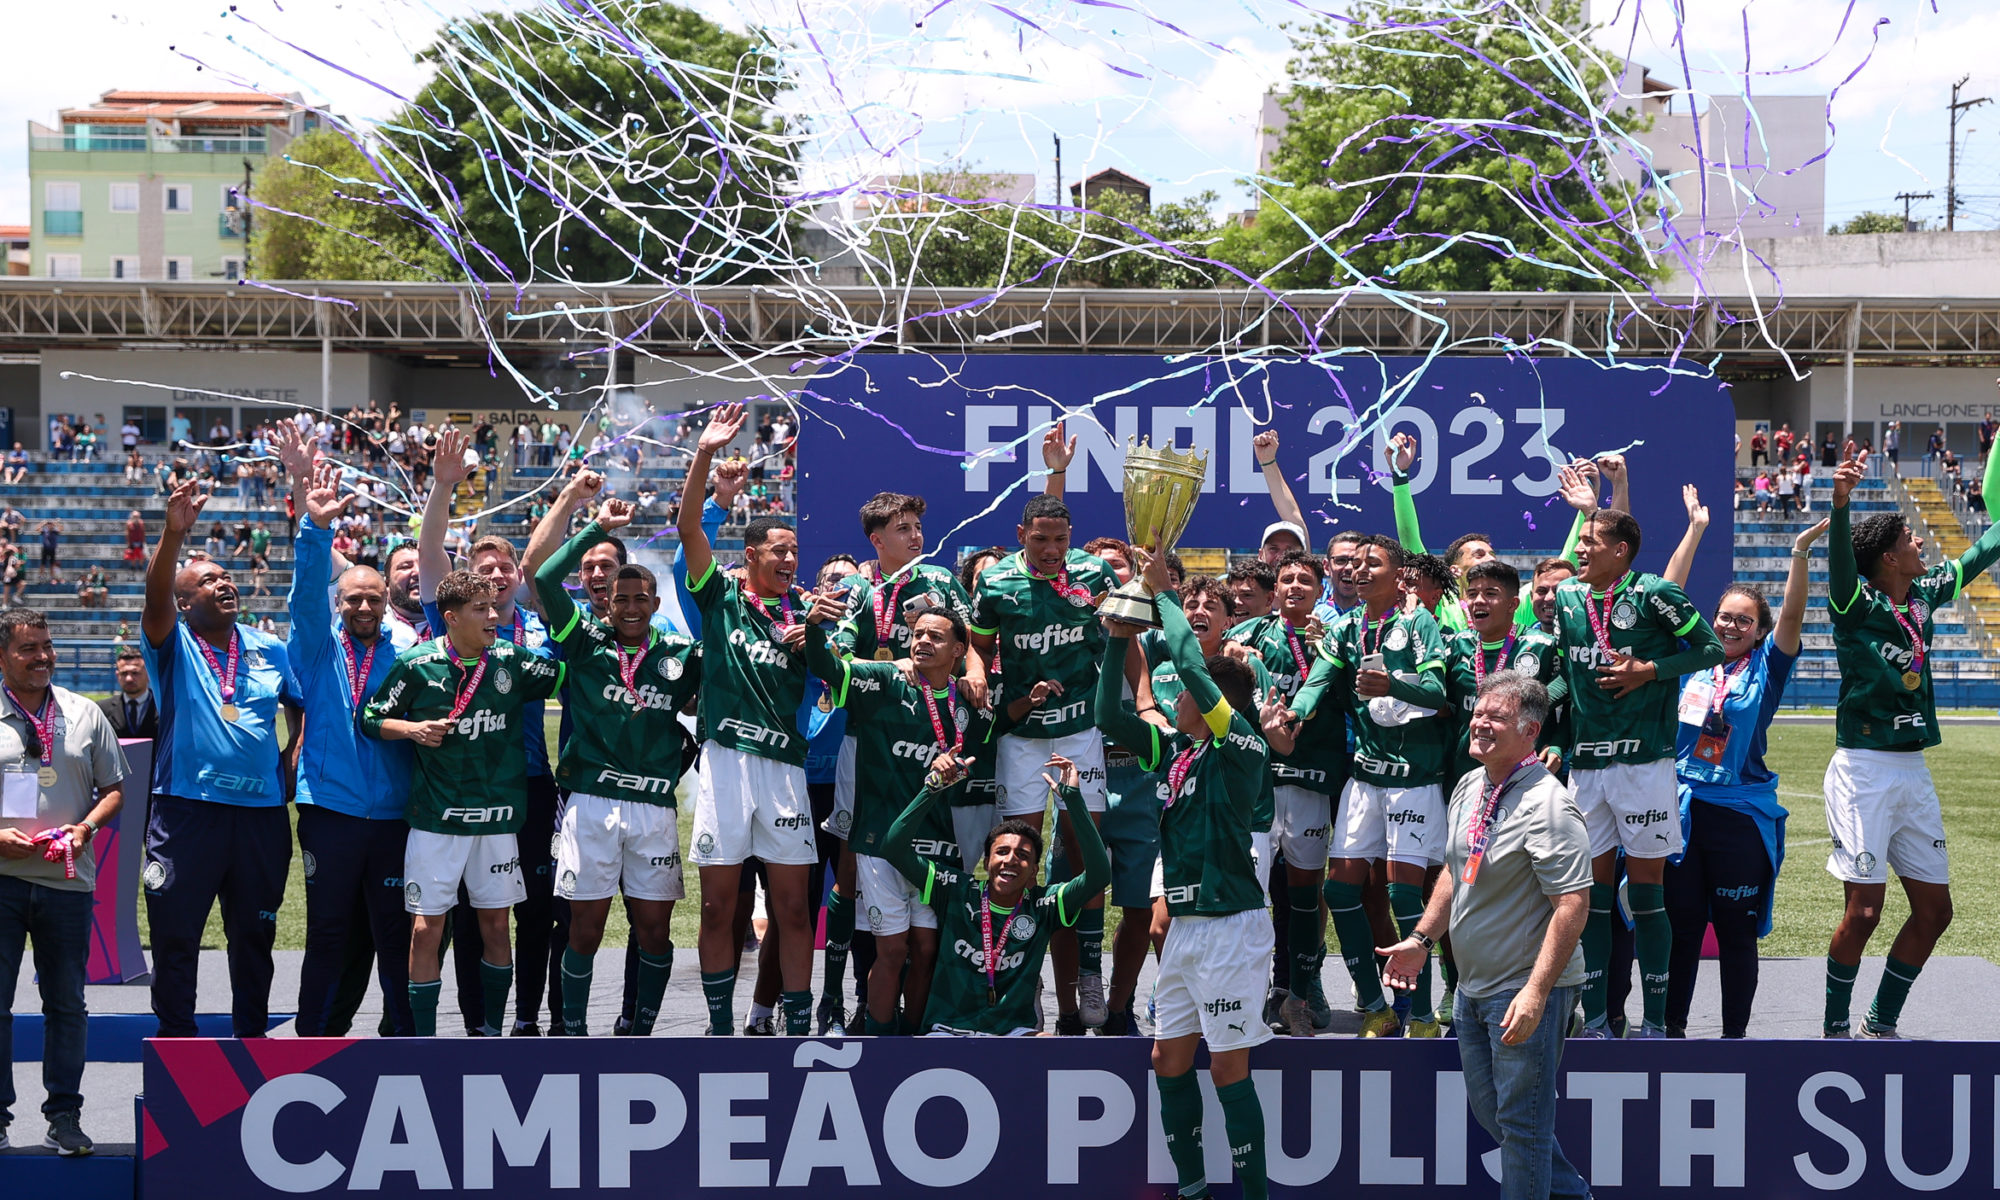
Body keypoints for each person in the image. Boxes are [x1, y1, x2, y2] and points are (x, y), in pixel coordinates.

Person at [1100, 545, 1275, 1200]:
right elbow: (1107, 717)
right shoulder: (1178, 753)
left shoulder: (1241, 747)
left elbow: (1193, 669)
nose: (1172, 702)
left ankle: (1253, 1194)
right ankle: (1195, 1189)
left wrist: (1161, 593)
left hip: (1233, 928)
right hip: (1185, 934)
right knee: (1167, 1059)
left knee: (1228, 1069)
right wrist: (1119, 643)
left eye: (1184, 697)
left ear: (1211, 703)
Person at [1378, 672, 1591, 1200]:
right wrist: (1423, 940)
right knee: (1500, 1119)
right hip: (1473, 989)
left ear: (1530, 731)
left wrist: (1537, 992)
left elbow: (1572, 904)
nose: (1479, 723)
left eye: (1495, 717)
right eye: (1478, 712)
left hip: (1521, 989)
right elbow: (1455, 868)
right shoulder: (1473, 784)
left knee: (1522, 1127)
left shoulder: (1548, 805)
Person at [1822, 451, 2000, 1037]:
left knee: (1935, 911)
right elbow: (1843, 566)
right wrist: (1841, 504)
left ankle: (1881, 1022)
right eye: (1909, 536)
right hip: (1863, 771)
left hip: (1911, 770)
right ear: (1887, 558)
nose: (1921, 541)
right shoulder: (1856, 606)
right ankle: (1833, 1029)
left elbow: (1977, 555)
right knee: (1865, 912)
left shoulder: (1921, 595)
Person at [1550, 471, 1725, 1039]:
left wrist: (1650, 670)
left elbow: (1711, 648)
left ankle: (1655, 1023)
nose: (1579, 550)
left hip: (1644, 764)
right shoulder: (1570, 597)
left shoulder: (1656, 594)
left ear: (1620, 551)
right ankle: (1598, 1019)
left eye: (1589, 543)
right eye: (1579, 542)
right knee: (1592, 900)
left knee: (1648, 897)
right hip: (1587, 769)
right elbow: (1564, 676)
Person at [360, 569, 565, 1036]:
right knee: (426, 930)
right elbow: (371, 717)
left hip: (496, 823)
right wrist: (411, 730)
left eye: (494, 606)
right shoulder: (416, 664)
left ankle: (491, 1033)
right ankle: (425, 1041)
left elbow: (576, 675)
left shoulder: (514, 659)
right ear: (450, 617)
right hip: (437, 822)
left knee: (496, 927)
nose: (494, 616)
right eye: (481, 609)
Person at [140, 477, 303, 1039]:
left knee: (254, 937)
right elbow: (155, 596)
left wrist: (292, 754)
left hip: (259, 817)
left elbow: (299, 704)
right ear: (185, 603)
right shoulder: (172, 642)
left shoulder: (268, 646)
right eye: (209, 581)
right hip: (187, 811)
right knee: (176, 934)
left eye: (227, 576)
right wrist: (172, 534)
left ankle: (252, 1040)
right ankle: (177, 1043)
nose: (225, 584)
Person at [533, 503, 701, 1038]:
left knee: (654, 927)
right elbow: (542, 577)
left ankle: (641, 1032)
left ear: (655, 603)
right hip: (591, 803)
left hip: (652, 806)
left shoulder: (679, 651)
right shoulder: (582, 640)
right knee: (585, 926)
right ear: (607, 604)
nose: (630, 607)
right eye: (620, 598)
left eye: (640, 599)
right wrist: (596, 530)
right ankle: (576, 1032)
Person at [1657, 492, 1822, 1038]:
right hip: (1680, 814)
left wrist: (1799, 553)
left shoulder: (1768, 670)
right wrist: (1696, 530)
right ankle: (1672, 1033)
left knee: (1734, 933)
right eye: (1724, 617)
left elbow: (1793, 614)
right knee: (1681, 932)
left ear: (1758, 629)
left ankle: (1734, 1040)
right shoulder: (1690, 662)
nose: (1730, 626)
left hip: (1738, 817)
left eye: (1743, 621)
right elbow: (1665, 596)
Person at [679, 403, 820, 1036]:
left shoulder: (811, 613)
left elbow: (837, 679)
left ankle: (795, 1022)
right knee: (718, 906)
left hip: (785, 769)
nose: (791, 560)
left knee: (793, 907)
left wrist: (817, 637)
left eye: (796, 551)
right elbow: (687, 532)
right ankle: (718, 1025)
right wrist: (706, 457)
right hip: (727, 762)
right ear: (752, 553)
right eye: (780, 551)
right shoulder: (722, 596)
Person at [419, 429, 561, 1037]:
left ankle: (526, 1017)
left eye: (506, 569)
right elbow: (430, 557)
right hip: (461, 789)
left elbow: (537, 560)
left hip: (528, 786)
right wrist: (444, 486)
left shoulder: (534, 625)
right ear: (466, 587)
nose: (500, 575)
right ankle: (478, 1022)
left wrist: (570, 502)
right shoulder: (448, 623)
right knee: (467, 914)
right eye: (486, 569)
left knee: (534, 914)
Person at [827, 490, 986, 1033]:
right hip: (866, 735)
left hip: (931, 723)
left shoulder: (939, 580)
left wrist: (978, 671)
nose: (917, 536)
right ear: (877, 540)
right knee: (853, 860)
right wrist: (891, 663)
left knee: (924, 866)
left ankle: (909, 1017)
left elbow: (970, 641)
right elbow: (840, 655)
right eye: (903, 529)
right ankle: (841, 994)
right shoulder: (856, 589)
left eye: (918, 526)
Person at [1286, 533, 1451, 1037]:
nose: (1358, 571)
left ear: (1398, 576)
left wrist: (1393, 685)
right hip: (1364, 780)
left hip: (1413, 782)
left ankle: (1421, 1014)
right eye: (1354, 564)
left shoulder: (1418, 622)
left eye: (1371, 563)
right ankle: (1375, 1006)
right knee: (1338, 889)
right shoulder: (1345, 628)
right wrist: (1294, 714)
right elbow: (1318, 678)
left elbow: (1438, 691)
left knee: (1404, 895)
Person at [967, 491, 1120, 1032]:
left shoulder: (1096, 573)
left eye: (1060, 539)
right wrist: (978, 671)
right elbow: (977, 647)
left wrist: (1143, 699)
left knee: (1083, 847)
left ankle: (1089, 974)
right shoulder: (995, 582)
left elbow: (1127, 641)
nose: (1052, 550)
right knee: (1019, 852)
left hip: (1081, 731)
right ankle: (1023, 974)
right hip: (1022, 735)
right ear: (1020, 536)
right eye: (1041, 539)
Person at [282, 453, 418, 1038]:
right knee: (329, 931)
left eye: (373, 598)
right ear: (340, 603)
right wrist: (316, 530)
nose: (363, 606)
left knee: (395, 934)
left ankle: (405, 1038)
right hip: (330, 812)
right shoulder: (315, 648)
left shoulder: (407, 651)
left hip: (392, 816)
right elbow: (303, 597)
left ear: (386, 600)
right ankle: (311, 1037)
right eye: (353, 598)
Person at [0, 609, 129, 1156]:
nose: (43, 657)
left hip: (67, 884)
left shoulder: (83, 712)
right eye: (29, 648)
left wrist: (84, 828)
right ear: (4, 655)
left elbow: (115, 789)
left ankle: (65, 1115)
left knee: (67, 1005)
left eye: (47, 646)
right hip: (2, 882)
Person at [882, 751, 1108, 1035]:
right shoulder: (955, 890)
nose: (1011, 860)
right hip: (947, 1030)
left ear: (1034, 868)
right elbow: (893, 847)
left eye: (1023, 855)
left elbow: (1098, 875)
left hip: (1013, 1034)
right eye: (1001, 852)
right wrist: (933, 788)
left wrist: (1072, 800)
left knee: (1049, 1045)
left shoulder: (1043, 906)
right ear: (986, 861)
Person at [1231, 551, 1347, 1037]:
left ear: (1320, 589)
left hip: (1311, 782)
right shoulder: (1249, 637)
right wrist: (1235, 659)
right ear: (1274, 589)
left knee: (1305, 894)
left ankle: (1302, 987)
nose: (1295, 585)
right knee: (1250, 894)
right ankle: (1247, 993)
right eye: (1287, 579)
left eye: (1305, 579)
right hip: (1256, 784)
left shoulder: (1336, 640)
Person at [99, 647, 158, 739]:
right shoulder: (102, 710)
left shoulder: (164, 709)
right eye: (124, 673)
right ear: (117, 675)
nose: (129, 679)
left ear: (149, 674)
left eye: (135, 673)